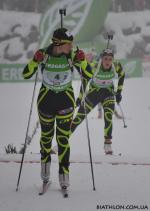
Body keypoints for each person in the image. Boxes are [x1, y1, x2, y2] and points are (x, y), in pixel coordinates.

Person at [22, 27, 93, 192]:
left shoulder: (73, 55)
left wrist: (83, 61)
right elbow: (26, 74)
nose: (72, 46)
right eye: (69, 43)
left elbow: (88, 75)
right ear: (58, 43)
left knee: (63, 140)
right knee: (46, 140)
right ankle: (45, 176)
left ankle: (64, 177)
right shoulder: (43, 54)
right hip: (45, 102)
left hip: (65, 103)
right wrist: (34, 60)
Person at [71, 48, 125, 155]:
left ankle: (107, 144)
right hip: (94, 93)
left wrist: (119, 92)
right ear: (101, 59)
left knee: (108, 117)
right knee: (79, 118)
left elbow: (122, 75)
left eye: (110, 59)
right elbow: (85, 80)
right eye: (105, 59)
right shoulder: (94, 66)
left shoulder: (116, 65)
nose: (108, 62)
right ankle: (61, 142)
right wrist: (80, 97)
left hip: (108, 93)